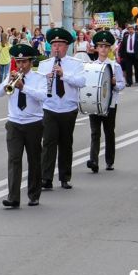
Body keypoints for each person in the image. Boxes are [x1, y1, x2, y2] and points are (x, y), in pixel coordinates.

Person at [0, 44, 46, 208]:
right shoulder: (12, 76)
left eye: (24, 62)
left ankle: (34, 195)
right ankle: (13, 197)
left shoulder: (39, 78)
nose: (21, 65)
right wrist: (6, 83)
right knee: (14, 160)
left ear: (31, 62)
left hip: (33, 124)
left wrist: (24, 88)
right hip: (14, 123)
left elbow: (43, 96)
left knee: (34, 160)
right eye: (18, 61)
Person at [37, 27, 86, 189]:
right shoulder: (44, 65)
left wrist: (64, 75)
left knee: (65, 144)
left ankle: (65, 177)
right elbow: (38, 86)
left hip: (68, 108)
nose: (56, 48)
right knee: (49, 143)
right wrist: (47, 78)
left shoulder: (75, 64)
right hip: (50, 108)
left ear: (66, 47)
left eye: (60, 45)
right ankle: (46, 178)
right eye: (54, 45)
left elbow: (81, 82)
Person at [86, 31, 125, 173]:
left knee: (109, 132)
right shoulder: (91, 66)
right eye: (100, 46)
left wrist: (115, 83)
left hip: (109, 104)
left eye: (106, 46)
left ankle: (109, 161)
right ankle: (94, 161)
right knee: (95, 133)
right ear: (96, 48)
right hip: (95, 103)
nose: (103, 49)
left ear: (109, 49)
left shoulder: (115, 66)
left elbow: (122, 84)